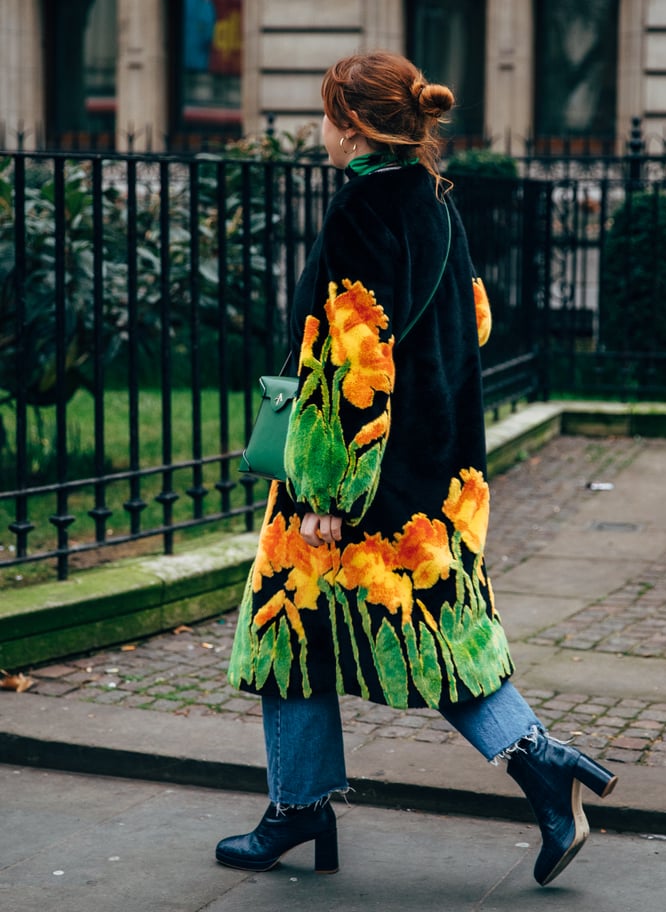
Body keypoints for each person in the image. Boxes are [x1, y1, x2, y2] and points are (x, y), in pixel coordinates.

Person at [218, 51, 617, 887]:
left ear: (354, 124)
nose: (320, 130)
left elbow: (347, 357)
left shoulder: (361, 207)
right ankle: (539, 765)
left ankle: (302, 809)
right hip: (435, 470)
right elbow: (473, 320)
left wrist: (323, 492)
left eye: (327, 113)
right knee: (434, 632)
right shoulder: (435, 201)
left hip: (354, 480)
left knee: (285, 624)